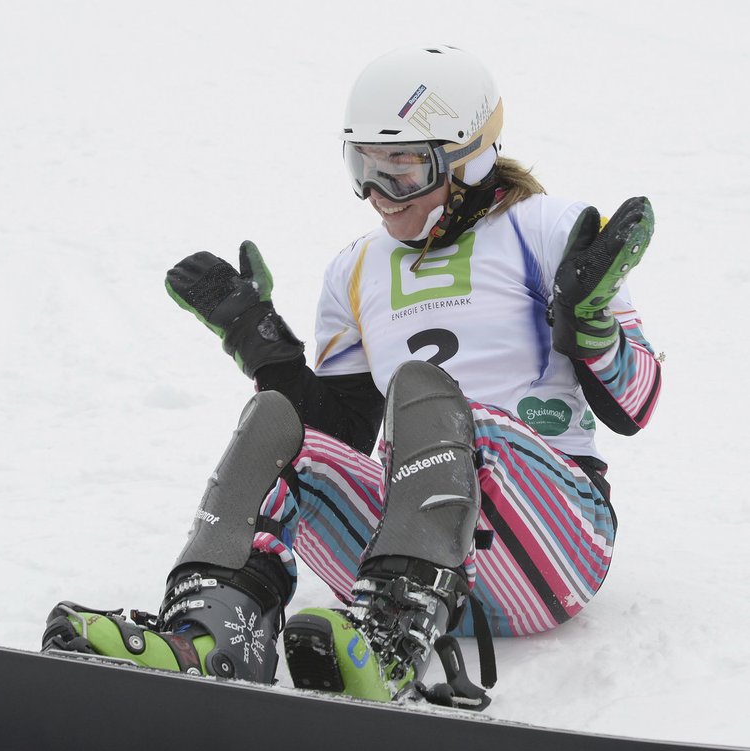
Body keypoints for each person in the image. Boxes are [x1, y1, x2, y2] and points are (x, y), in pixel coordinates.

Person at [42, 45, 661, 708]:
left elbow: (636, 402)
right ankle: (212, 635)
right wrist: (266, 350)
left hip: (554, 538)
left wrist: (590, 324)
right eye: (364, 167)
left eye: (403, 170)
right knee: (275, 424)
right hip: (417, 547)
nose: (376, 193)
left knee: (432, 394)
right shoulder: (356, 271)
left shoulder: (544, 228)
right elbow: (339, 437)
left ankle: (394, 633)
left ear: (468, 158)